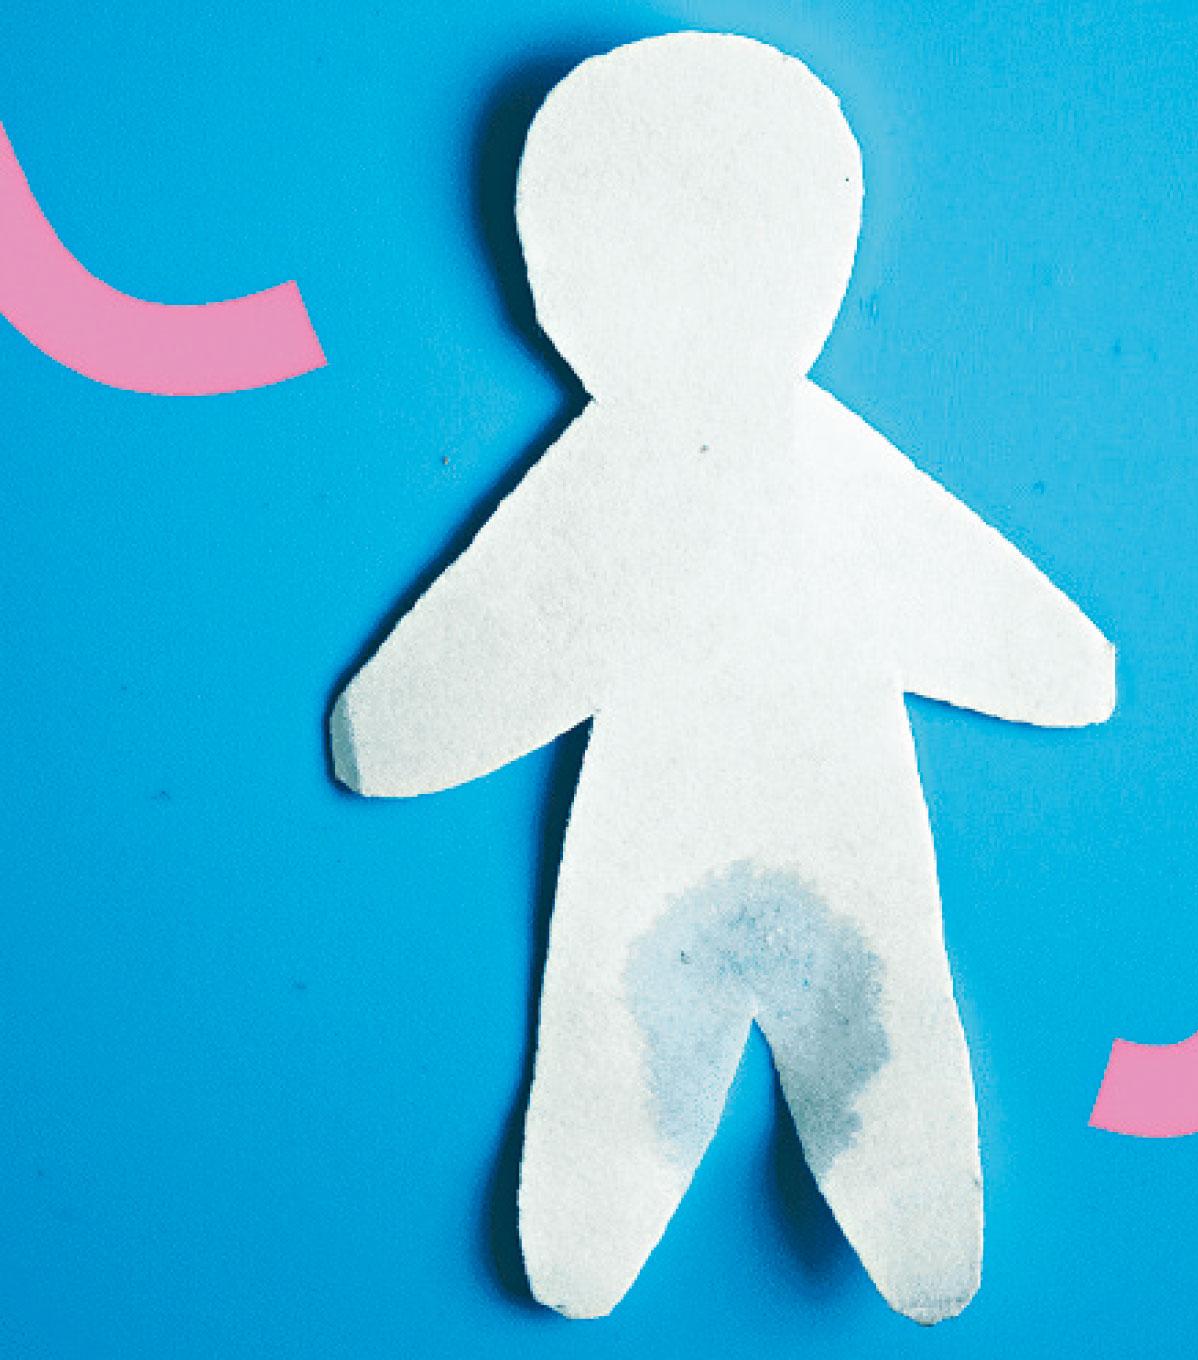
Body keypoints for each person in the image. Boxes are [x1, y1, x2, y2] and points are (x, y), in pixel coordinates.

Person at [331, 31, 1116, 1323]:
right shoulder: (682, 473)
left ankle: (788, 1234)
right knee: (667, 1061)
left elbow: (487, 647)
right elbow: (485, 644)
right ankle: (613, 1239)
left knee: (805, 1052)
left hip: (714, 843)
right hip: (772, 837)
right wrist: (387, 729)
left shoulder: (684, 474)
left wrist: (383, 733)